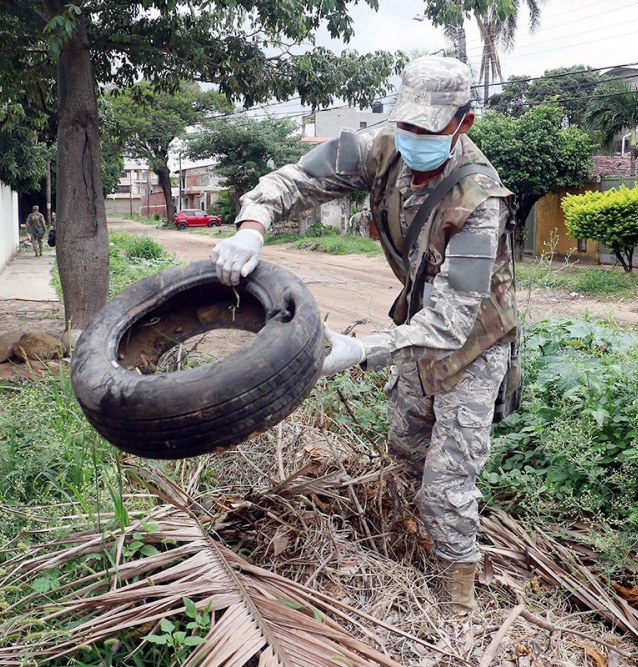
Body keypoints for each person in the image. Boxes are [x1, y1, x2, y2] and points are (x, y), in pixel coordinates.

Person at [210, 56, 518, 614]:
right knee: (404, 450)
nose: (413, 138)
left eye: (428, 129)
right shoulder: (379, 148)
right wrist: (253, 227)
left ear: (463, 124)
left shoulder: (479, 200)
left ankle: (457, 602)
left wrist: (363, 350)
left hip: (473, 342)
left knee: (447, 485)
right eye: (406, 124)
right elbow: (296, 179)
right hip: (413, 325)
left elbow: (454, 320)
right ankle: (408, 545)